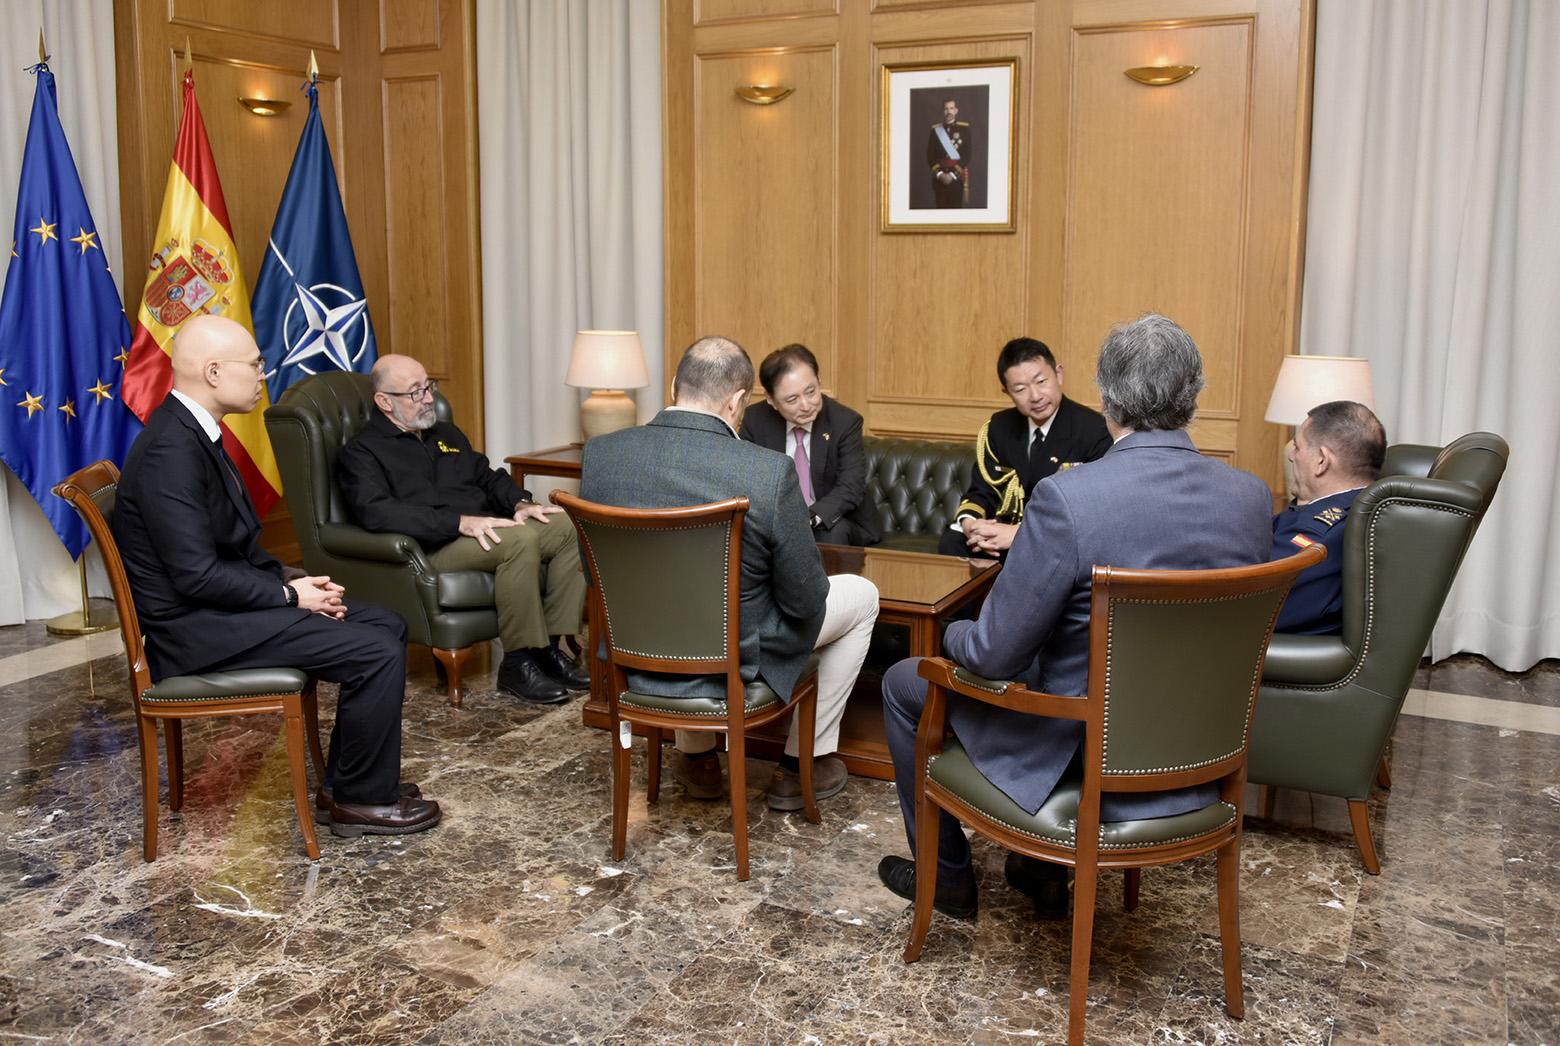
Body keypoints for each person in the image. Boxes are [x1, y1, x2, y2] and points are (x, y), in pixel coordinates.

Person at [878, 313, 1273, 919]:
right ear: (1194, 397)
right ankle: (1038, 868)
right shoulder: (1249, 498)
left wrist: (953, 631)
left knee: (908, 680)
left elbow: (991, 655)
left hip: (1085, 744)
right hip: (1201, 752)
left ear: (1106, 399)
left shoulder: (1071, 498)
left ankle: (947, 878)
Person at [113, 315, 440, 837]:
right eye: (256, 363)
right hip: (194, 630)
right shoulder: (170, 451)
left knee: (386, 624)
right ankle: (363, 804)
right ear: (215, 372)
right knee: (374, 651)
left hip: (219, 608)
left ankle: (347, 783)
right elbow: (196, 576)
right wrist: (291, 595)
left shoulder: (196, 432)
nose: (264, 373)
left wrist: (301, 583)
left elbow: (234, 547)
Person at [580, 336, 880, 811]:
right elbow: (806, 600)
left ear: (676, 386)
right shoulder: (766, 471)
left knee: (684, 608)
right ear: (739, 401)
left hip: (638, 649)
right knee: (862, 596)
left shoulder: (602, 456)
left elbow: (595, 576)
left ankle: (697, 761)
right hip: (737, 653)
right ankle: (803, 763)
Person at [336, 354, 588, 705]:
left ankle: (548, 648)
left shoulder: (446, 433)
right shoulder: (363, 452)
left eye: (428, 387)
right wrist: (458, 522)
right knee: (519, 540)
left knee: (566, 526)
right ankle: (516, 663)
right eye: (415, 392)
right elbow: (377, 514)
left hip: (482, 531)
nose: (428, 398)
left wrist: (521, 503)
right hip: (434, 546)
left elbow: (487, 476)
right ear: (384, 402)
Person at [938, 336, 1112, 559]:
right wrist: (973, 526)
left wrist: (1020, 534)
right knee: (953, 542)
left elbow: (1091, 511)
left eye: (1041, 382)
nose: (1036, 396)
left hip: (1056, 541)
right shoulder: (1000, 427)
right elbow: (982, 492)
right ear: (1007, 392)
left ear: (1058, 375)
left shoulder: (1094, 430)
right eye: (1020, 389)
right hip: (1001, 541)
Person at [739, 343, 882, 546]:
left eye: (811, 392)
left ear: (819, 381)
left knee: (832, 532)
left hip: (836, 519)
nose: (806, 405)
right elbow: (747, 480)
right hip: (777, 521)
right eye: (792, 399)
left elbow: (851, 487)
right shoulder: (756, 420)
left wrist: (809, 517)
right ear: (771, 400)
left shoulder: (845, 422)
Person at [1272, 399, 1386, 634]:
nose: (1292, 456)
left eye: (1297, 447)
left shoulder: (1320, 534)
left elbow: (1256, 604)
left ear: (1321, 460)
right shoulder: (1357, 508)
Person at [926, 98, 973, 208]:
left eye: (951, 108)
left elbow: (967, 154)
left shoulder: (965, 129)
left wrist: (952, 175)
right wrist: (940, 174)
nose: (949, 112)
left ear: (956, 110)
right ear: (943, 111)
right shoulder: (935, 130)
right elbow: (930, 155)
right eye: (946, 109)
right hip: (939, 179)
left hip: (956, 178)